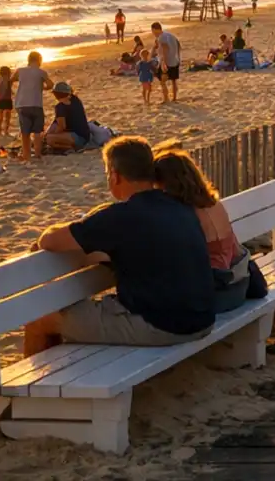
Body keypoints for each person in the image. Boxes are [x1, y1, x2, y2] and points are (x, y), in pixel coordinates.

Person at [24, 137, 216, 354]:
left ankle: (28, 387)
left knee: (40, 320)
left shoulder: (120, 216)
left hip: (164, 327)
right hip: (202, 318)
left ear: (115, 175)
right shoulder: (177, 205)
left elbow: (48, 241)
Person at [153, 146, 253, 313]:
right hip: (238, 286)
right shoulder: (214, 204)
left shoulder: (185, 216)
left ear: (166, 185)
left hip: (216, 295)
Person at [12, 52, 53, 160]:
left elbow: (11, 80)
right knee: (37, 132)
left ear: (28, 60)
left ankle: (26, 155)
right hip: (36, 104)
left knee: (25, 133)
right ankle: (38, 154)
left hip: (22, 104)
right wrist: (42, 88)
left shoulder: (20, 71)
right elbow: (50, 85)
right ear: (39, 60)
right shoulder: (41, 72)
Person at [45, 82, 93, 152]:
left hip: (77, 138)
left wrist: (52, 134)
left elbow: (62, 127)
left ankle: (70, 148)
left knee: (49, 139)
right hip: (85, 135)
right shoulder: (75, 100)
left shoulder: (60, 107)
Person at [151, 22, 182, 102]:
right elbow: (178, 45)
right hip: (175, 60)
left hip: (167, 62)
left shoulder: (161, 37)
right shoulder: (170, 35)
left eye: (153, 31)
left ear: (156, 29)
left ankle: (166, 99)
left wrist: (164, 62)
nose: (153, 33)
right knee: (173, 80)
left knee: (162, 81)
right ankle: (174, 98)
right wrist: (178, 57)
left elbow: (165, 48)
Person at [0, 66, 13, 137]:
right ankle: (6, 132)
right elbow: (5, 88)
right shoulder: (8, 79)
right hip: (6, 99)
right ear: (7, 73)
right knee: (7, 117)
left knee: (0, 117)